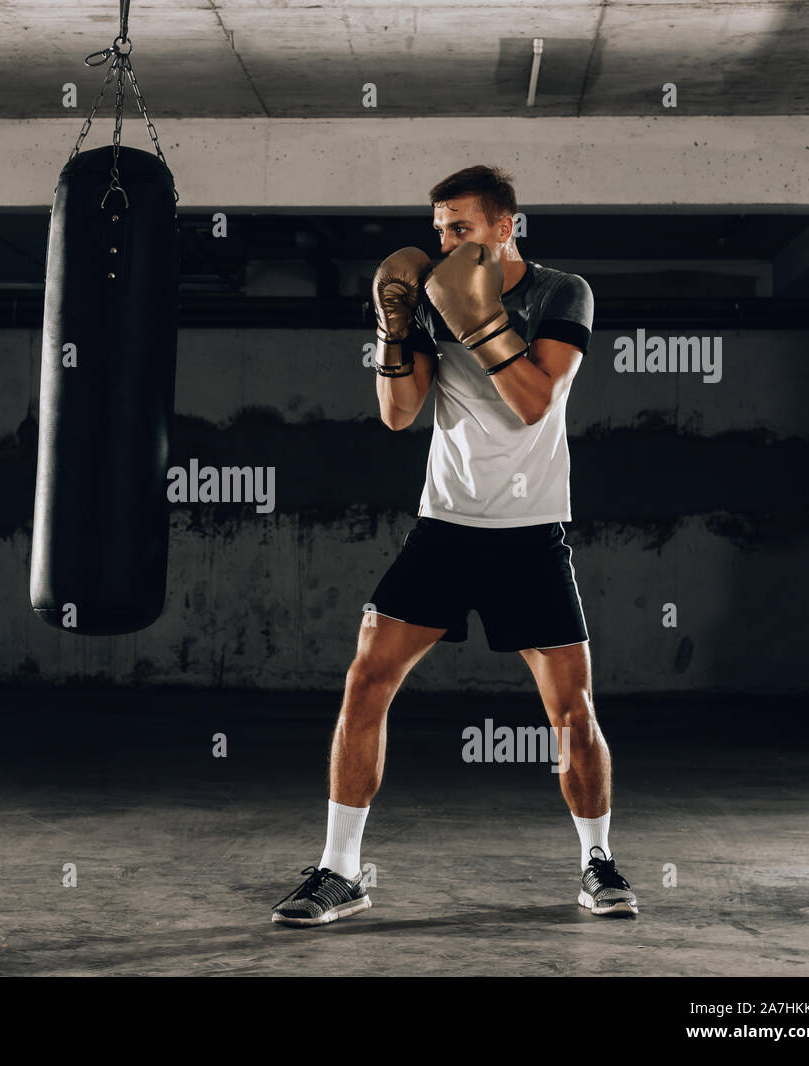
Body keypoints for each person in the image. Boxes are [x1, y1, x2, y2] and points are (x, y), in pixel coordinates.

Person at [272, 164, 638, 926]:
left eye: (460, 227)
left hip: (531, 532)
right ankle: (341, 869)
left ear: (506, 227)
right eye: (439, 227)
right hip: (445, 526)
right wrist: (395, 328)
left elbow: (536, 402)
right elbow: (398, 414)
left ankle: (597, 863)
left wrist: (479, 320)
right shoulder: (434, 297)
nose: (444, 241)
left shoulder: (560, 293)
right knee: (365, 679)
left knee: (572, 709)